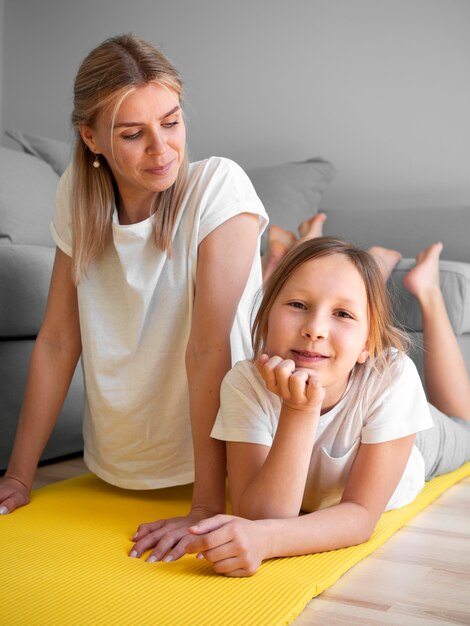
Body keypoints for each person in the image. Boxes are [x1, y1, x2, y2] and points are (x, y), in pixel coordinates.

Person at [0, 34, 268, 562]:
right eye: (133, 134)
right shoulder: (76, 198)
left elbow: (208, 349)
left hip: (236, 459)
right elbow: (57, 341)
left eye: (171, 122)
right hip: (119, 466)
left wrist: (205, 506)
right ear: (92, 138)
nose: (162, 149)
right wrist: (18, 477)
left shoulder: (218, 185)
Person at [184, 237, 470, 577]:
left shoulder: (391, 377)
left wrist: (267, 540)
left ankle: (428, 290)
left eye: (343, 313)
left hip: (412, 444)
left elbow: (360, 516)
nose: (314, 329)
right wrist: (298, 411)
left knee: (464, 427)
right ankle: (374, 268)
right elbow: (261, 518)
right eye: (298, 305)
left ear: (367, 346)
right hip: (357, 398)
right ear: (266, 318)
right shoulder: (244, 384)